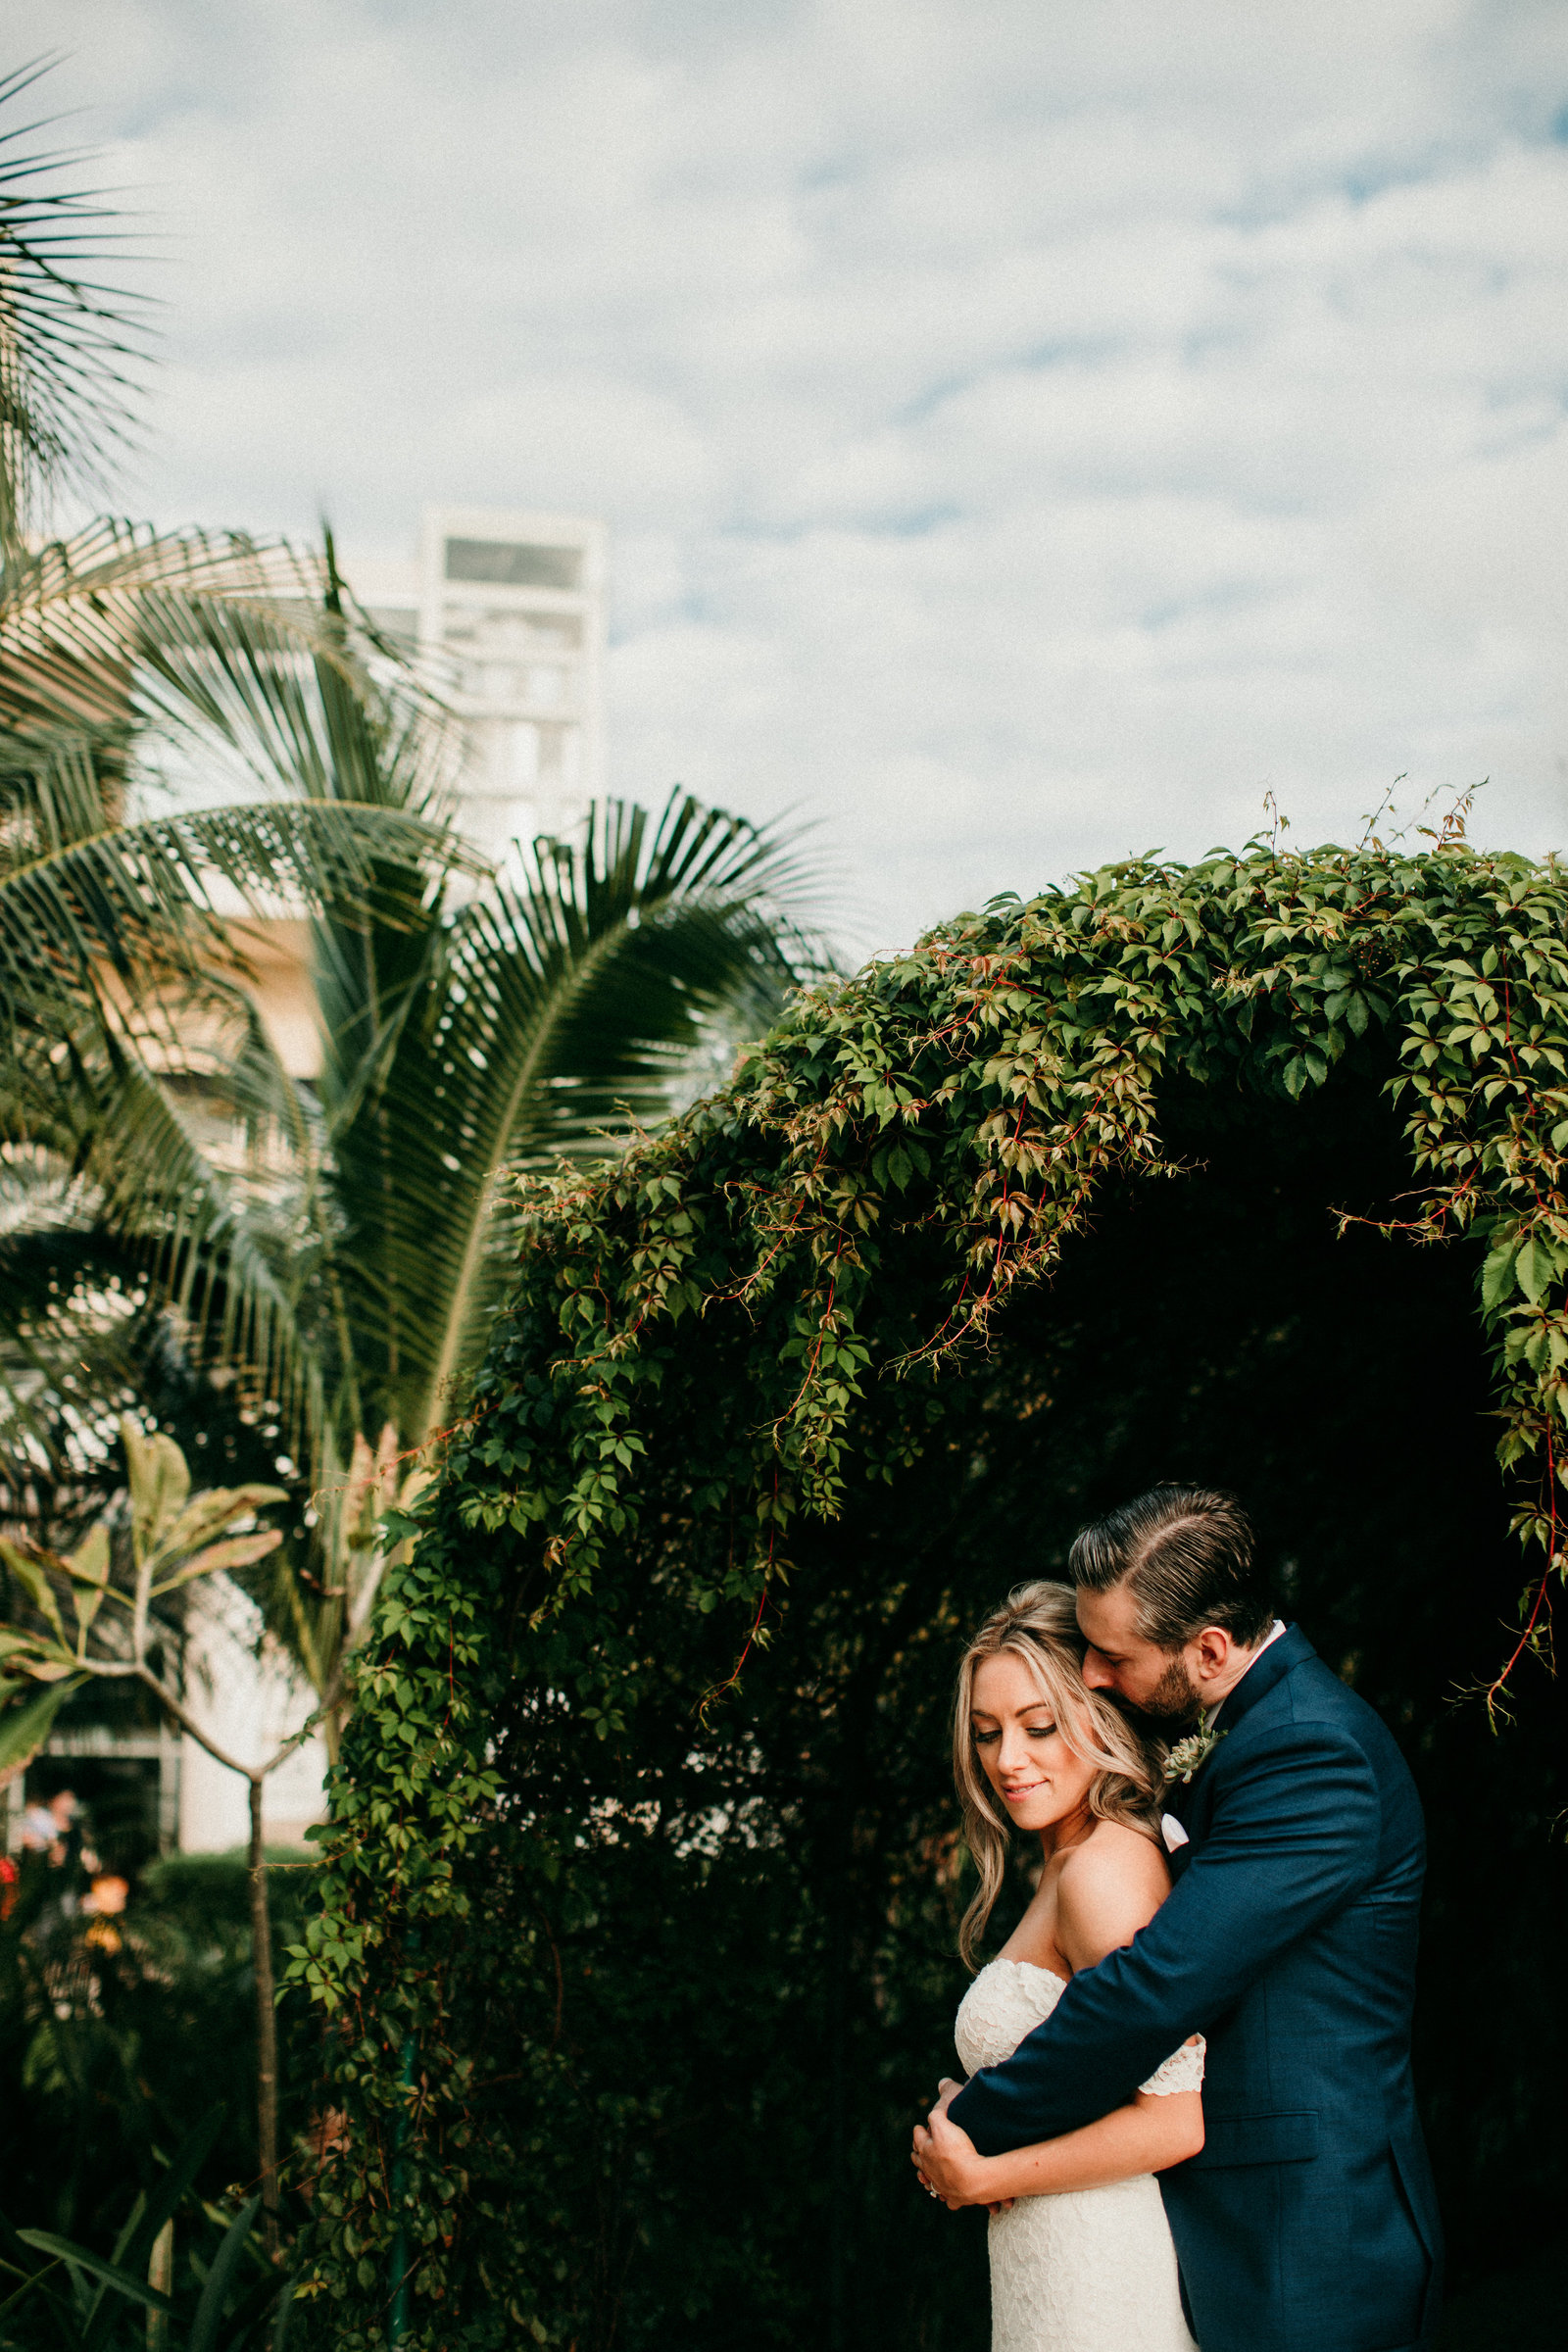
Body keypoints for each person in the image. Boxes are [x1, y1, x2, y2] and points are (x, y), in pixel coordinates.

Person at [916, 1487, 1443, 2352]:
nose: (1094, 1673)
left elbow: (1158, 1985)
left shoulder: (1312, 1751)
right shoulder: (1241, 1736)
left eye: (1110, 1656)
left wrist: (975, 2129)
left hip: (1308, 2235)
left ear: (1207, 1648)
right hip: (1215, 2228)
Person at [911, 1581, 1205, 2352]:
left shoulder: (1102, 1872)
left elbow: (1176, 2121)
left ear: (1097, 1716)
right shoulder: (1067, 1865)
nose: (1009, 1760)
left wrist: (983, 2176)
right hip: (1047, 2266)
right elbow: (1075, 2071)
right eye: (986, 1733)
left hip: (1097, 2276)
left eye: (1038, 1727)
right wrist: (973, 2111)